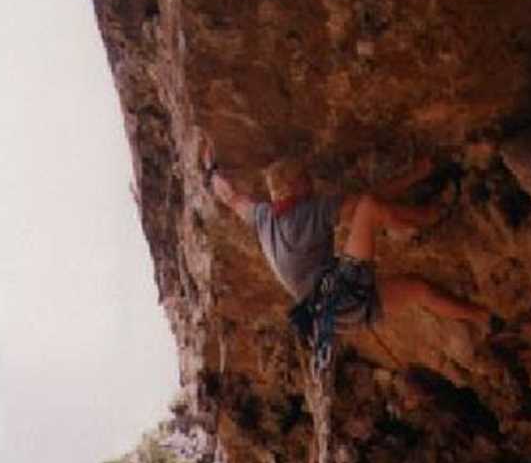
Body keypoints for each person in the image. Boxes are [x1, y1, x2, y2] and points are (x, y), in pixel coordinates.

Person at [199, 133, 492, 336]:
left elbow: (231, 197)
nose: (311, 183)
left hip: (334, 317)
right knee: (368, 207)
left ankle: (483, 317)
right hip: (340, 295)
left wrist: (211, 173)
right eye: (305, 179)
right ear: (297, 185)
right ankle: (432, 217)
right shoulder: (310, 211)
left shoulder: (263, 217)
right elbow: (369, 201)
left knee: (419, 290)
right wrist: (416, 174)